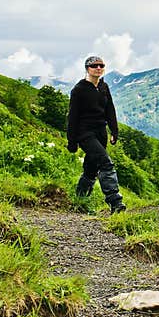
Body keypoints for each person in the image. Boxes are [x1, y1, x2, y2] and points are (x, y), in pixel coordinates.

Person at [66, 55, 127, 214]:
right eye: (95, 66)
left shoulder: (104, 87)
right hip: (85, 133)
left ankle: (80, 199)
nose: (98, 68)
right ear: (87, 69)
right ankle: (116, 202)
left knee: (91, 169)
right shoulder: (78, 90)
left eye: (101, 65)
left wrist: (114, 131)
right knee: (105, 162)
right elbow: (72, 116)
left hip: (101, 132)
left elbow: (110, 109)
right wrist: (71, 141)